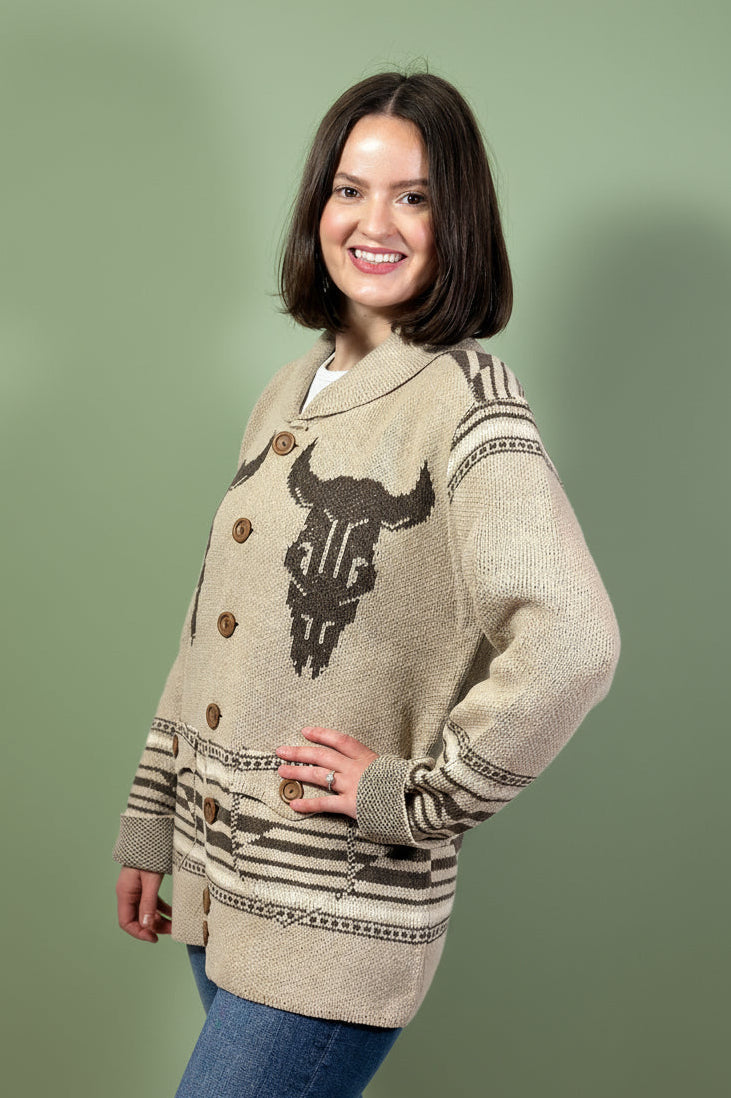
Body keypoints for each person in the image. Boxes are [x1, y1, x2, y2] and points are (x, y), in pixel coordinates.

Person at [113, 69, 621, 1097]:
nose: (372, 221)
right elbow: (215, 625)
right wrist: (152, 816)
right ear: (317, 207)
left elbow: (573, 639)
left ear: (456, 218)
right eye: (349, 189)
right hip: (227, 895)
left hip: (335, 919)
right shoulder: (288, 391)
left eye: (413, 195)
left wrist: (413, 796)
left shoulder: (465, 404)